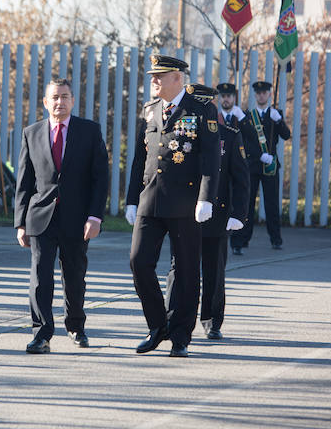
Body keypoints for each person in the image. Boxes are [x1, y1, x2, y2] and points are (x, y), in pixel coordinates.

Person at [124, 55, 220, 357]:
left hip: (185, 202)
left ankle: (180, 336)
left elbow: (210, 158)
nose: (154, 80)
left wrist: (205, 197)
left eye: (160, 75)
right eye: (153, 76)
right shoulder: (150, 110)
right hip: (150, 200)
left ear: (177, 78)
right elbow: (140, 159)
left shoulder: (202, 109)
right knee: (138, 262)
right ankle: (157, 326)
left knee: (187, 271)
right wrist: (131, 198)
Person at [14, 78, 108, 354]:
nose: (60, 102)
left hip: (77, 219)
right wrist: (20, 223)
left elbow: (99, 178)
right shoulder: (32, 133)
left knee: (74, 275)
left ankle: (76, 325)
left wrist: (95, 217)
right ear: (45, 102)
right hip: (41, 217)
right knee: (41, 277)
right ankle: (41, 333)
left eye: (65, 97)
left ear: (72, 100)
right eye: (54, 97)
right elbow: (24, 181)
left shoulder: (90, 132)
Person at [188, 85, 249, 341]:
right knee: (182, 270)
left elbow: (241, 179)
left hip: (218, 213)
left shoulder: (229, 135)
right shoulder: (183, 133)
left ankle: (212, 320)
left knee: (214, 270)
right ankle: (179, 317)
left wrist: (239, 214)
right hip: (185, 213)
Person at [232, 80, 291, 254]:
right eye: (258, 93)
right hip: (253, 165)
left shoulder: (275, 114)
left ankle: (276, 239)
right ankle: (241, 240)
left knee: (272, 203)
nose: (261, 95)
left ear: (270, 95)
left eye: (264, 93)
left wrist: (279, 121)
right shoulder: (248, 116)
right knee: (247, 204)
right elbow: (245, 141)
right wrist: (259, 155)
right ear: (255, 95)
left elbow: (286, 136)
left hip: (270, 166)